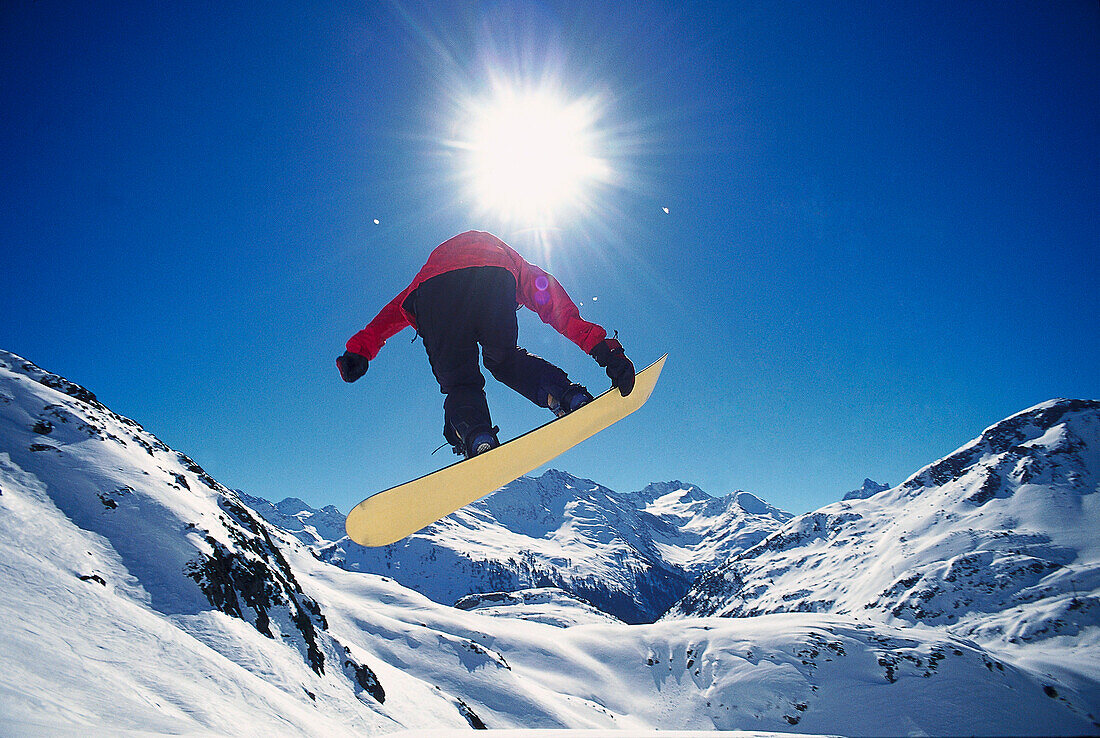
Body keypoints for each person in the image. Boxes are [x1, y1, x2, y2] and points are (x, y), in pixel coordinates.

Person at [337, 230, 636, 459]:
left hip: (434, 291)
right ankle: (566, 396)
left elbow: (395, 309)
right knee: (504, 359)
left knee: (460, 383)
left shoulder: (433, 269)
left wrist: (360, 350)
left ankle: (476, 435)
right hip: (495, 275)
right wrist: (604, 350)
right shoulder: (512, 261)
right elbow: (556, 305)